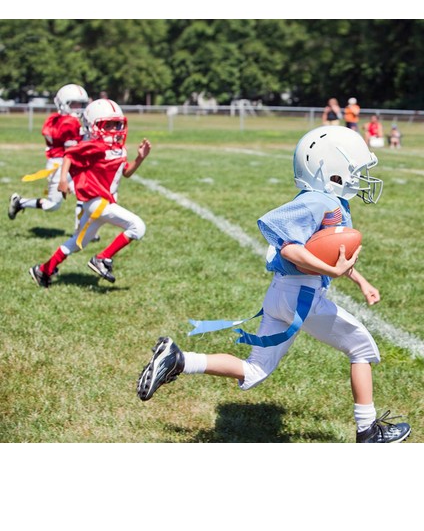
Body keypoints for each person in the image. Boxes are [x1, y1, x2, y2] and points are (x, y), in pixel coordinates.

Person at [136, 126, 411, 444]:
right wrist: (330, 271)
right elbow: (290, 249)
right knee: (362, 347)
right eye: (355, 169)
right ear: (331, 169)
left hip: (282, 293)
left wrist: (361, 281)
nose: (360, 177)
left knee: (254, 371)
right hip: (300, 296)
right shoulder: (316, 201)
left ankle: (179, 359)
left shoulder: (330, 202)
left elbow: (331, 255)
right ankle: (368, 430)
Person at [29, 98, 151, 288]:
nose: (115, 129)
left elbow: (125, 173)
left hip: (102, 203)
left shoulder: (118, 148)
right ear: (93, 126)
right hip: (98, 203)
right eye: (108, 124)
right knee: (138, 227)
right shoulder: (95, 145)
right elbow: (69, 155)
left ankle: (43, 270)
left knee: (78, 243)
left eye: (117, 123)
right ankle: (102, 259)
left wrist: (140, 158)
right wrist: (62, 180)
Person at [8, 83, 89, 233]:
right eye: (74, 104)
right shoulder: (69, 123)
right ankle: (20, 202)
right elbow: (70, 151)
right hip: (62, 165)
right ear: (63, 104)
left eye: (81, 104)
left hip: (60, 161)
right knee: (52, 205)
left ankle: (82, 232)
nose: (78, 108)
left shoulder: (56, 118)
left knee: (84, 195)